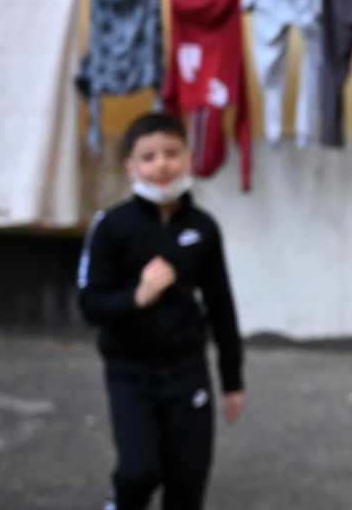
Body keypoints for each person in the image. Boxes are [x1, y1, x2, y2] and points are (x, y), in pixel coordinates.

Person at [77, 112, 245, 510]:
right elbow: (89, 303)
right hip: (130, 373)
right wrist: (137, 296)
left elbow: (221, 307)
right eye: (148, 156)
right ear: (131, 167)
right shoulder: (111, 225)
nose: (161, 165)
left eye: (171, 153)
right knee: (138, 472)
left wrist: (232, 381)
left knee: (187, 484)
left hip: (188, 372)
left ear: (188, 157)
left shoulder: (203, 227)